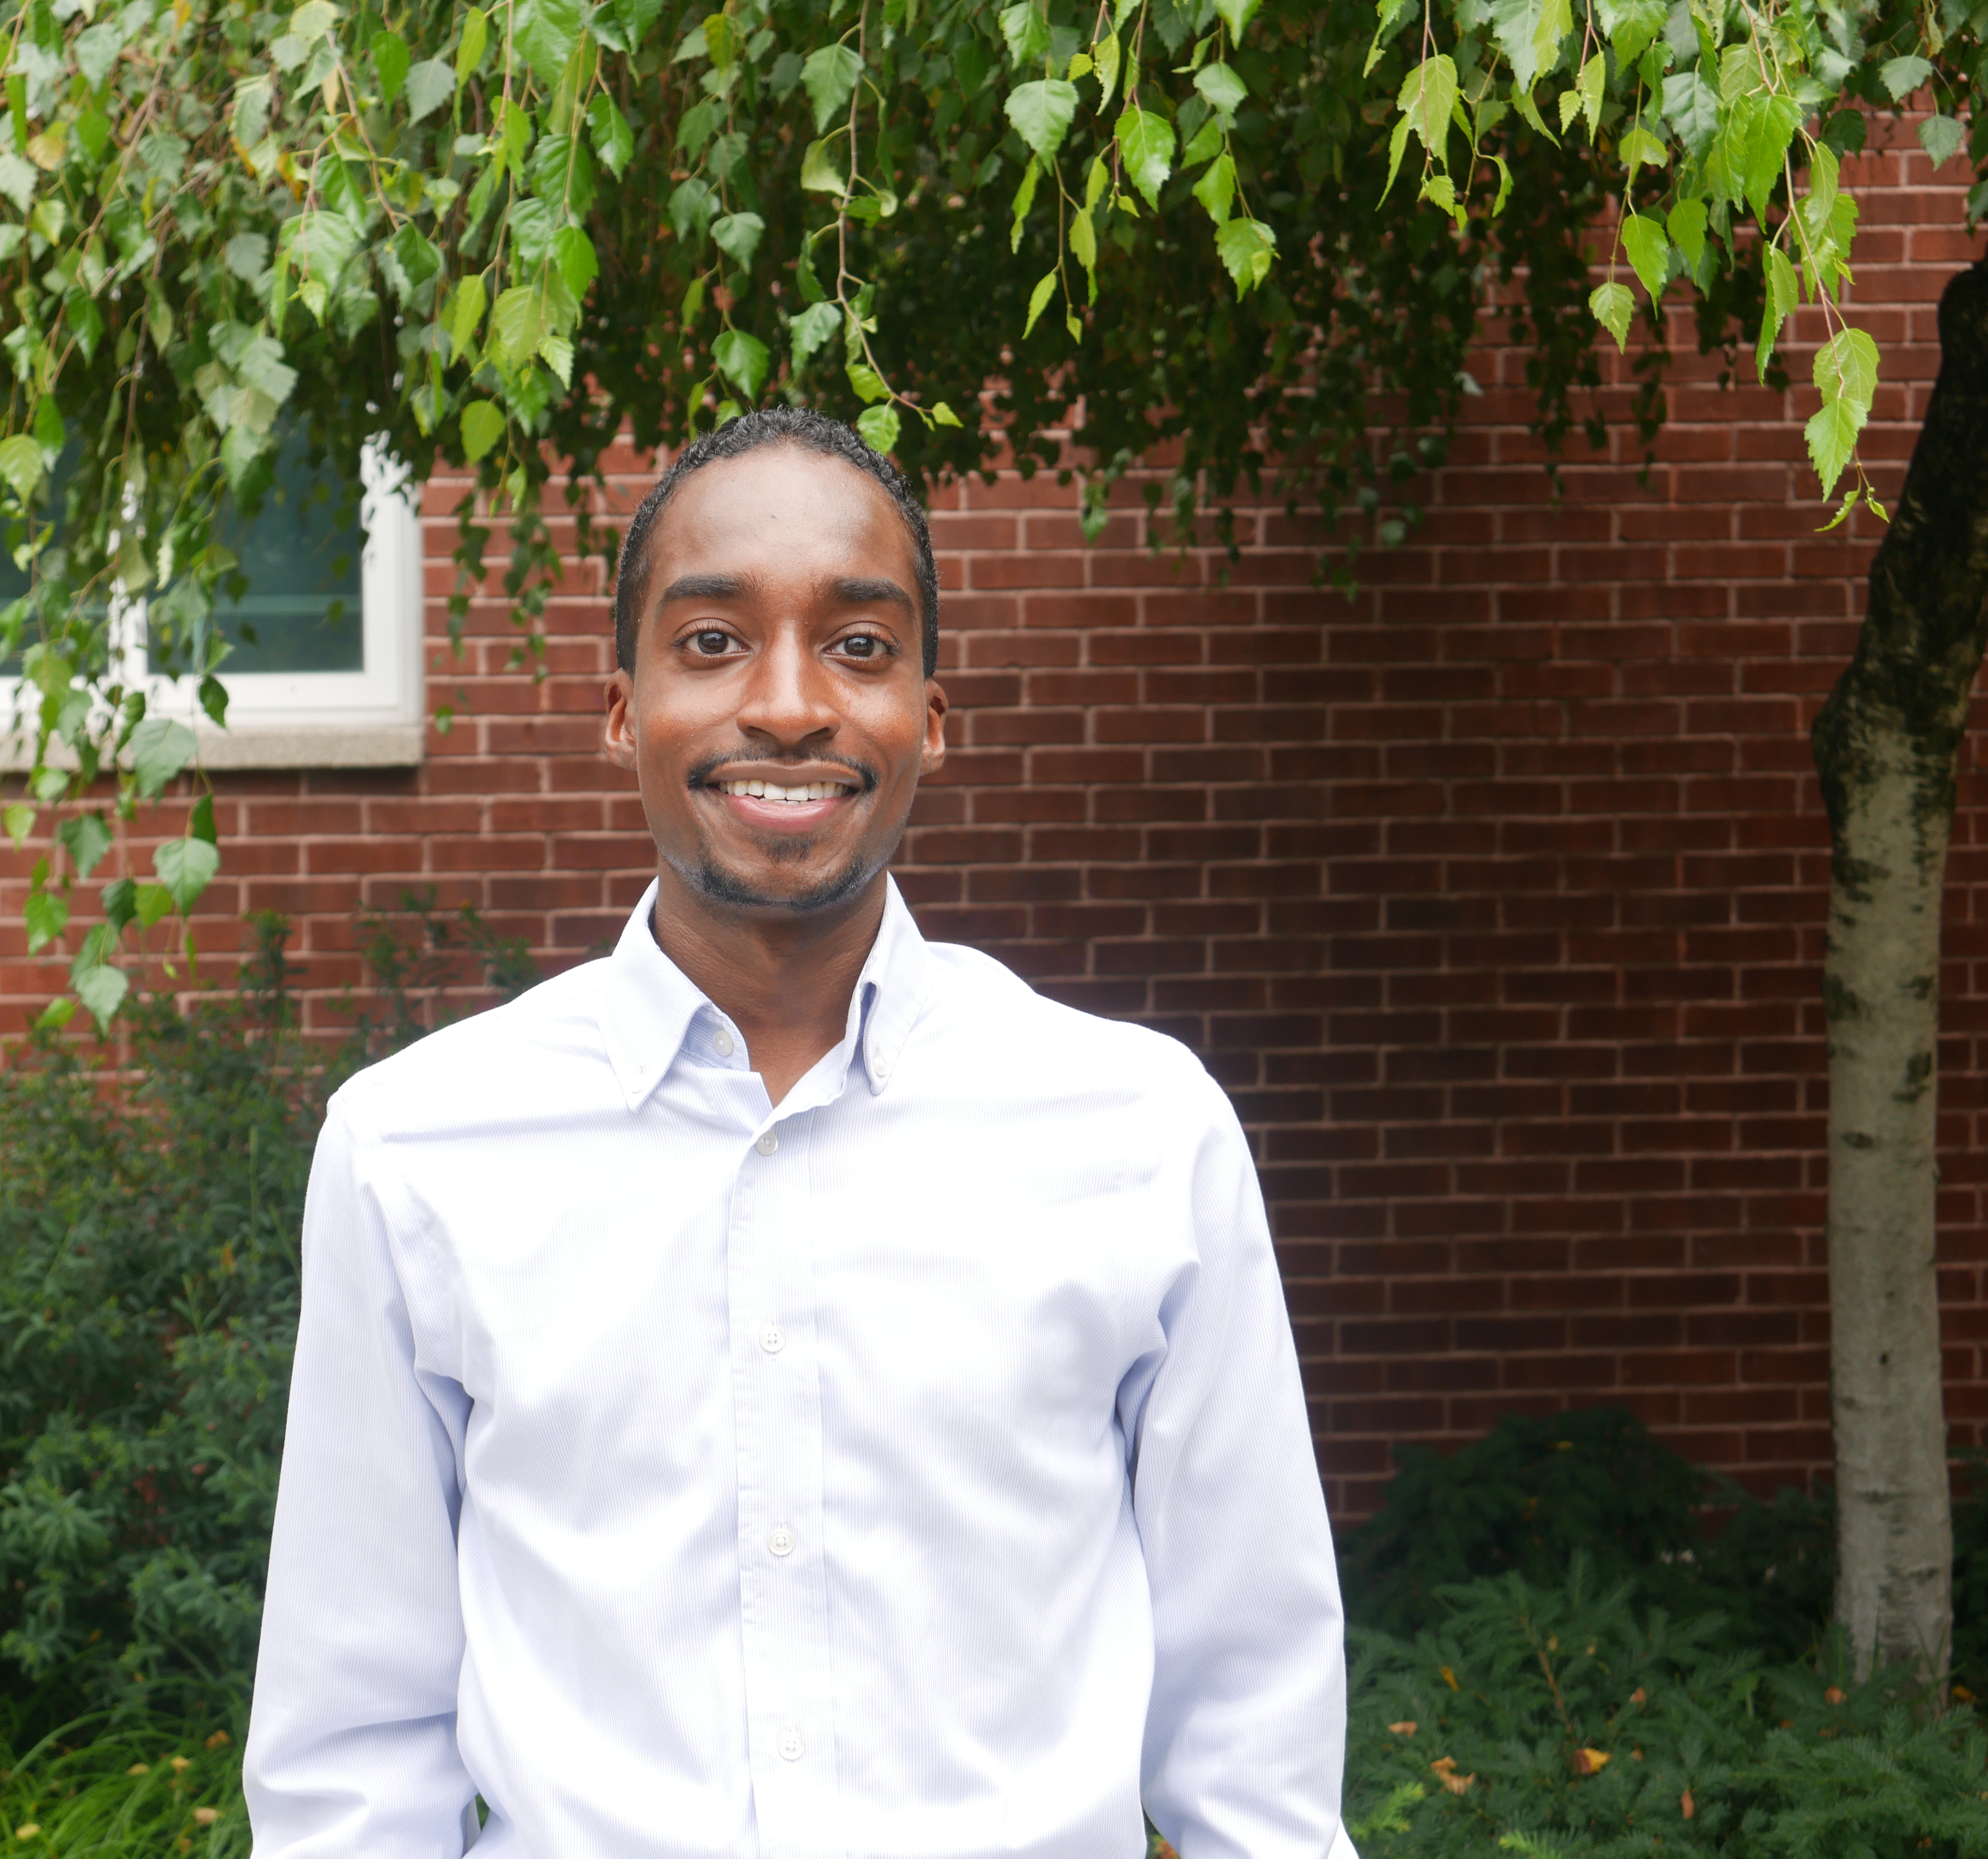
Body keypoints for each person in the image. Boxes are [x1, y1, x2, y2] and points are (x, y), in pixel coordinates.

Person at [244, 408, 1356, 1859]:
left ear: (933, 719)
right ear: (621, 708)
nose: (787, 703)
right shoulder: (414, 1151)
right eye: (711, 642)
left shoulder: (1143, 1135)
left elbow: (1250, 1726)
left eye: (859, 645)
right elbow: (351, 1763)